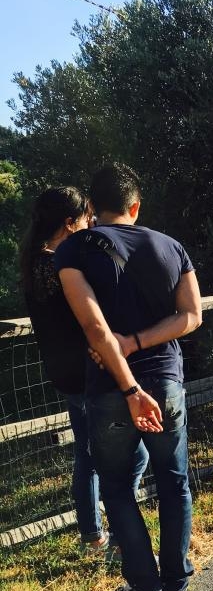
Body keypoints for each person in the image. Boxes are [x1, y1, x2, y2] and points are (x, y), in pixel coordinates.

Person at [56, 163, 202, 591]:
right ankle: (176, 584)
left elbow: (95, 329)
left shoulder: (73, 250)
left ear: (92, 207)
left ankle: (144, 589)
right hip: (167, 380)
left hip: (110, 390)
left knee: (117, 488)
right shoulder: (172, 247)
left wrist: (130, 387)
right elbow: (192, 316)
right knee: (174, 482)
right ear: (135, 206)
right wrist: (138, 343)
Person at [19, 187, 148, 552]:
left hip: (64, 371)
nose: (90, 222)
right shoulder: (61, 265)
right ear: (69, 222)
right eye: (85, 218)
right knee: (132, 455)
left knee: (87, 453)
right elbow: (89, 317)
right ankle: (120, 534)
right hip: (90, 370)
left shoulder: (33, 262)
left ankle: (93, 534)